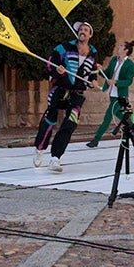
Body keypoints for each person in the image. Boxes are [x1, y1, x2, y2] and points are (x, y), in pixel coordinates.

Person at [33, 21, 100, 172]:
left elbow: (92, 74)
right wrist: (58, 70)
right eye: (80, 29)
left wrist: (93, 83)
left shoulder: (93, 53)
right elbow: (50, 64)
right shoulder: (63, 47)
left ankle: (55, 158)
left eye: (85, 30)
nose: (82, 31)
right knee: (50, 119)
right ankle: (39, 148)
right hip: (60, 89)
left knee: (70, 124)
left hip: (77, 93)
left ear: (90, 35)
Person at [86, 40, 134, 148]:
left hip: (120, 95)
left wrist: (116, 82)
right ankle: (133, 126)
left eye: (121, 46)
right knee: (118, 114)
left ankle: (96, 140)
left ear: (126, 50)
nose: (118, 47)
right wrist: (100, 70)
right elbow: (108, 73)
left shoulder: (130, 65)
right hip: (111, 93)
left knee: (108, 116)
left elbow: (129, 81)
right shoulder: (114, 59)